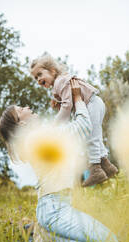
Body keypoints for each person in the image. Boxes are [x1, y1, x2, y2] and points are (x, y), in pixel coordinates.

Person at [0, 79, 120, 242]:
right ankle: (44, 236)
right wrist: (78, 99)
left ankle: (45, 237)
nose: (26, 107)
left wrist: (66, 104)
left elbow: (59, 125)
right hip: (54, 210)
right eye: (21, 110)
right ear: (22, 123)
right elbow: (84, 127)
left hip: (54, 209)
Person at [30, 53, 118, 187]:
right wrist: (57, 100)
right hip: (95, 103)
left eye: (40, 74)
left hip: (91, 104)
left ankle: (96, 169)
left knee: (91, 137)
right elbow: (65, 101)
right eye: (36, 78)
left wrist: (55, 126)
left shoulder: (60, 82)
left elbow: (67, 107)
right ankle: (107, 165)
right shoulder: (59, 84)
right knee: (95, 136)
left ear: (52, 71)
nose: (38, 79)